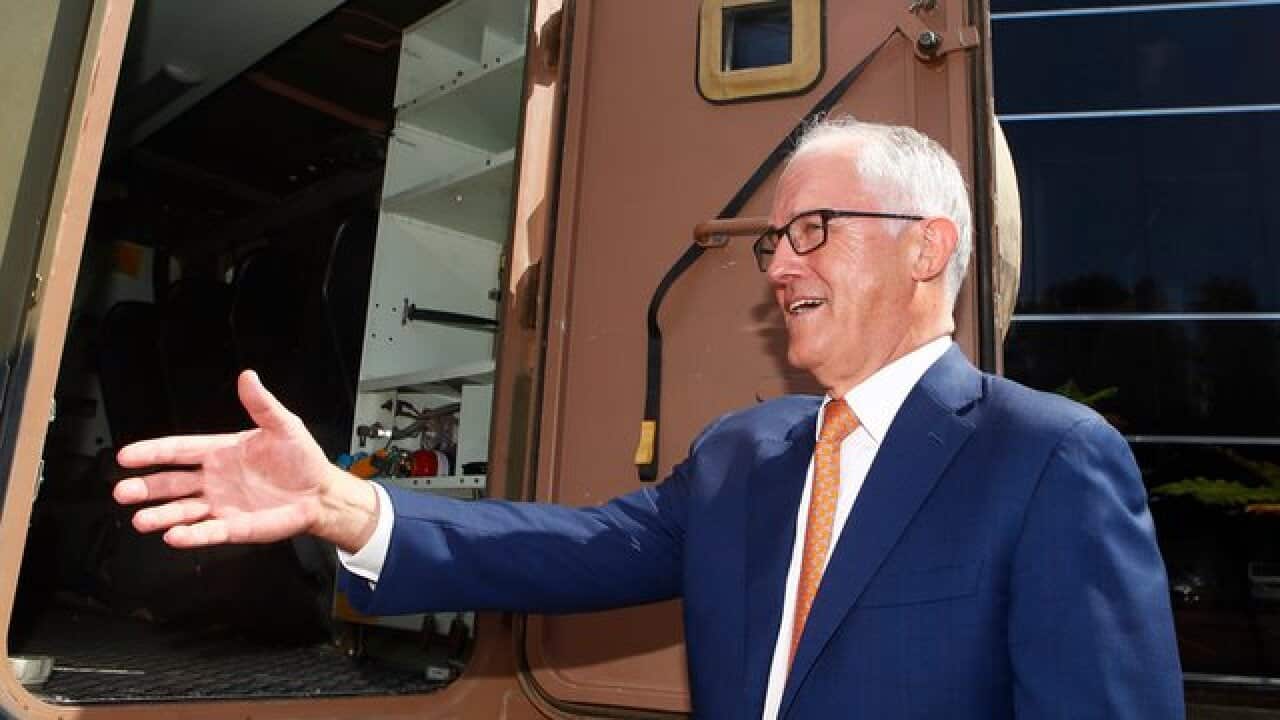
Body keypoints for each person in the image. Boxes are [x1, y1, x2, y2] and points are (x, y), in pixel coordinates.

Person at [114, 117, 1184, 718]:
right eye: (770, 242)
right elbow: (573, 549)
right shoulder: (742, 453)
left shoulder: (1044, 459)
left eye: (811, 229)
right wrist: (345, 507)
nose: (779, 266)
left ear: (927, 247)